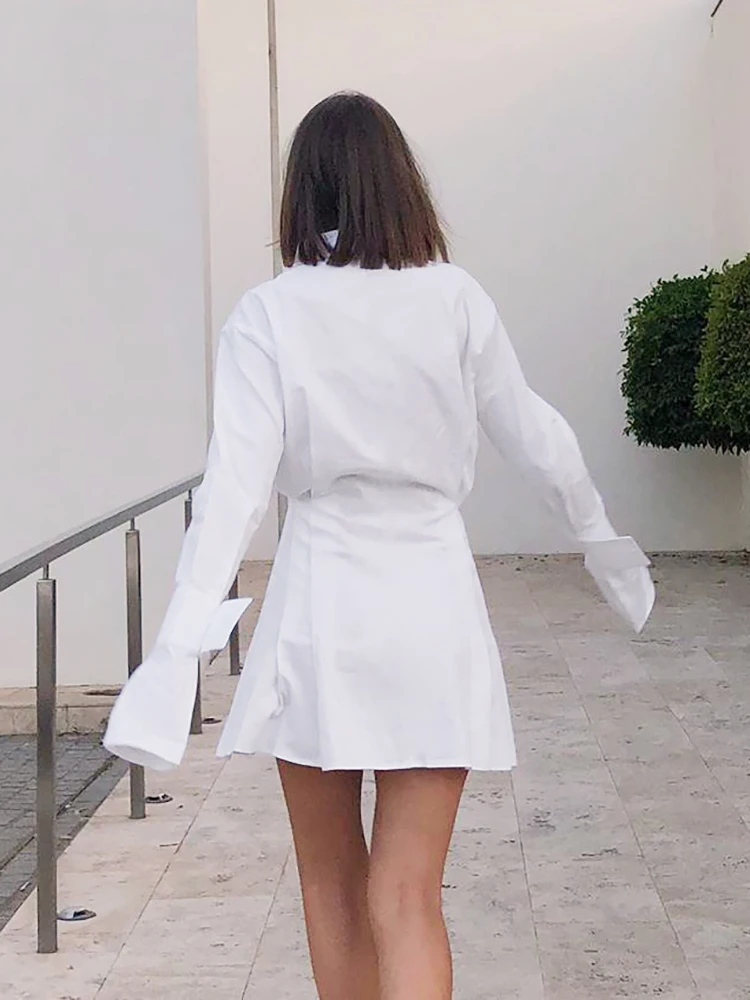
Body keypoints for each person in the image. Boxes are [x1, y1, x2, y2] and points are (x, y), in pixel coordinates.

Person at [105, 92, 654, 1000]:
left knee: (330, 885)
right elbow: (537, 435)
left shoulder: (269, 314)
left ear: (302, 189)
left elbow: (234, 491)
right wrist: (602, 542)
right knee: (409, 897)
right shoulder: (455, 299)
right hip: (431, 601)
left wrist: (176, 647)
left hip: (320, 609)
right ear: (401, 182)